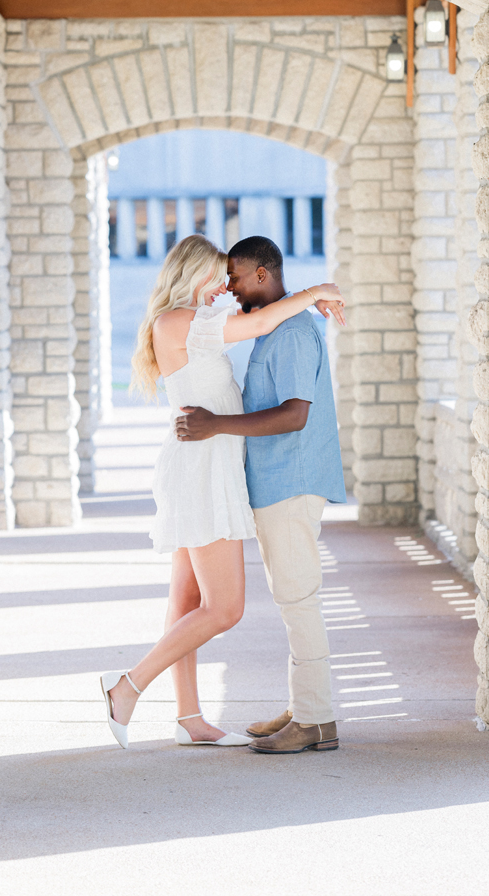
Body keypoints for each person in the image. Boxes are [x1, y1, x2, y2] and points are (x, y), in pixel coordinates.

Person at [100, 234, 345, 750]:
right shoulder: (185, 322)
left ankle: (192, 718)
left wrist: (304, 301)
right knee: (224, 608)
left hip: (208, 465)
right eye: (218, 276)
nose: (224, 289)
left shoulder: (195, 324)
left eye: (229, 277)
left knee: (187, 600)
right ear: (192, 275)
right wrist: (316, 291)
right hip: (203, 469)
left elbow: (265, 327)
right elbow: (257, 322)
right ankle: (128, 686)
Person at [175, 236, 347, 754]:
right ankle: (305, 706)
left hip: (292, 482)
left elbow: (296, 414)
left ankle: (316, 720)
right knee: (292, 596)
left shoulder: (292, 333)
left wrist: (215, 426)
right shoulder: (278, 326)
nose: (229, 287)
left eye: (236, 277)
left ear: (263, 275)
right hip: (279, 482)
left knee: (298, 599)